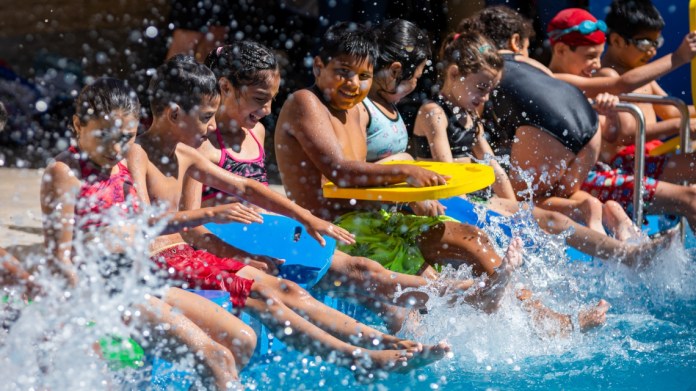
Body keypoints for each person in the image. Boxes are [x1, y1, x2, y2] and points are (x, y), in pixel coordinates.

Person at [274, 21, 608, 335]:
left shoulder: (353, 107)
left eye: (362, 75)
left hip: (377, 217)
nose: (353, 84)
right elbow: (339, 173)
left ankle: (544, 319)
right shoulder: (306, 102)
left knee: (474, 239)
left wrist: (410, 192)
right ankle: (449, 318)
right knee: (423, 283)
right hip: (340, 230)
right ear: (318, 67)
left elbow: (372, 168)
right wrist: (407, 173)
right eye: (342, 72)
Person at [126, 54, 449, 374]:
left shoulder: (183, 153)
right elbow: (140, 226)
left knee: (287, 291)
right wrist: (210, 216)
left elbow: (247, 188)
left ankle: (379, 345)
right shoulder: (136, 154)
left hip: (188, 258)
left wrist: (306, 217)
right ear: (173, 113)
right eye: (206, 117)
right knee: (271, 296)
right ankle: (358, 357)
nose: (211, 125)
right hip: (163, 261)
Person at [187, 40, 489, 332]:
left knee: (377, 287)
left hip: (268, 234)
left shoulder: (255, 132)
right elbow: (191, 228)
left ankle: (420, 343)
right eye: (258, 99)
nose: (267, 109)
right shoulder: (202, 146)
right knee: (362, 271)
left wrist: (301, 223)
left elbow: (260, 194)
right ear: (225, 87)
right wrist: (240, 256)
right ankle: (461, 292)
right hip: (232, 243)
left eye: (271, 99)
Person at [39, 78, 256, 388]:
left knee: (242, 340)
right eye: (104, 136)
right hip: (105, 291)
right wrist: (88, 315)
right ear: (78, 124)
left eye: (125, 137)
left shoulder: (126, 163)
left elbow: (148, 224)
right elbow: (59, 259)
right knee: (217, 357)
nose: (115, 149)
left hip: (141, 280)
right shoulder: (65, 172)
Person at [412, 29, 668, 264]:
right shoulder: (434, 113)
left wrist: (520, 214)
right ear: (454, 74)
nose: (486, 98)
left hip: (478, 199)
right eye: (481, 88)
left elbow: (496, 170)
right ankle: (623, 253)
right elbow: (447, 172)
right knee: (545, 223)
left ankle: (626, 254)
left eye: (490, 90)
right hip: (452, 202)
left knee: (553, 220)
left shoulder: (470, 118)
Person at [542, 7, 696, 229]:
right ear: (562, 50)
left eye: (598, 55)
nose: (597, 64)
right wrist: (679, 57)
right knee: (689, 198)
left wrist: (609, 117)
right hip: (592, 177)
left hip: (602, 171)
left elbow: (611, 134)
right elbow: (622, 130)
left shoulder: (590, 83)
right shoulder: (556, 82)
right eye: (591, 56)